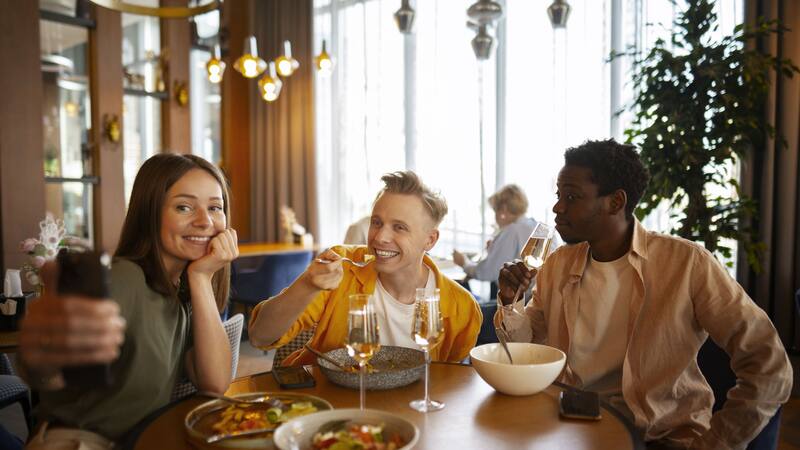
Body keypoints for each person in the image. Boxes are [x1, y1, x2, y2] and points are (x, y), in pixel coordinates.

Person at [496, 139, 792, 449]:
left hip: (659, 437)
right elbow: (523, 349)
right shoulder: (557, 264)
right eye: (559, 196)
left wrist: (715, 443)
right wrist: (509, 300)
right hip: (569, 427)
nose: (557, 207)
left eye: (572, 197)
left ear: (615, 202)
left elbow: (769, 365)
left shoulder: (687, 263)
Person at [18, 153, 239, 448]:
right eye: (184, 207)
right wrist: (44, 350)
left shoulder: (183, 290)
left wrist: (201, 279)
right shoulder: (126, 278)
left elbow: (214, 383)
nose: (205, 221)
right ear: (150, 213)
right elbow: (53, 371)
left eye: (215, 207)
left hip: (141, 439)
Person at [249, 171, 482, 365]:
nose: (380, 237)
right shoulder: (342, 269)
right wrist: (307, 284)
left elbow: (448, 383)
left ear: (430, 240)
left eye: (399, 227)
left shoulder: (462, 308)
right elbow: (260, 336)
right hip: (327, 403)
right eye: (376, 222)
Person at [452, 184, 539, 287]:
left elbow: (487, 272)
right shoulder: (534, 225)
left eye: (495, 210)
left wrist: (464, 263)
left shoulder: (512, 230)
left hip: (524, 299)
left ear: (503, 209)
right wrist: (494, 250)